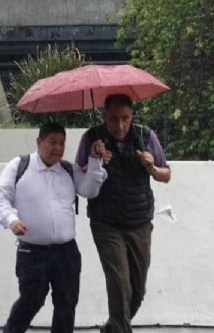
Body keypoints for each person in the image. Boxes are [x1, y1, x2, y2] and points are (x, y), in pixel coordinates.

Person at [0, 122, 110, 333]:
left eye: (62, 143)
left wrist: (94, 160)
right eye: (52, 142)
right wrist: (12, 220)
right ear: (38, 142)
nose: (57, 148)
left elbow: (89, 190)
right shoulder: (20, 165)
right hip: (32, 252)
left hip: (67, 251)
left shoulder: (68, 169)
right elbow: (1, 198)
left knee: (67, 303)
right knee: (31, 300)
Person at [75, 93, 171, 333]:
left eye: (125, 118)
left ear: (132, 116)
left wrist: (151, 167)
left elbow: (166, 174)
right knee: (119, 284)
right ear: (104, 117)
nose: (119, 125)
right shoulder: (91, 138)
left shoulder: (146, 136)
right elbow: (79, 176)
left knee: (136, 290)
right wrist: (94, 160)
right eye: (113, 119)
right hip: (105, 222)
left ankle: (112, 328)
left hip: (139, 221)